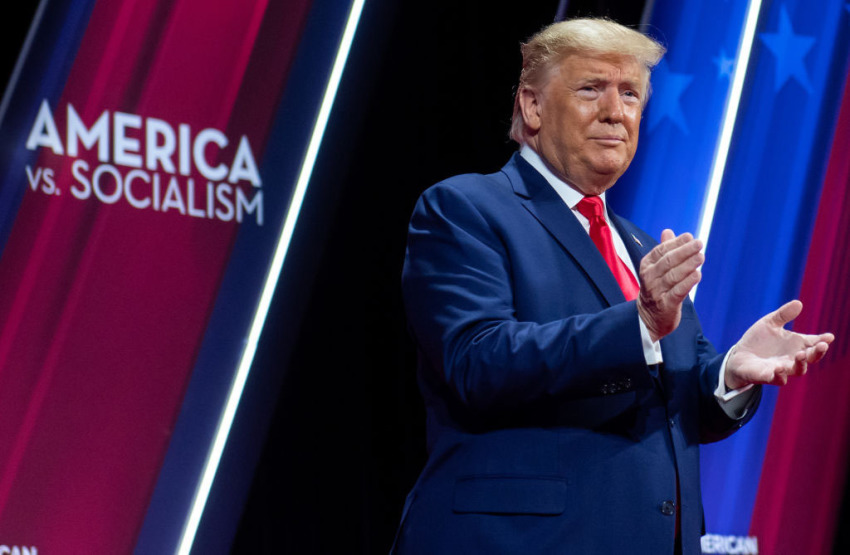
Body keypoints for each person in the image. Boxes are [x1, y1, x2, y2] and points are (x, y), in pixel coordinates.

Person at [392, 18, 834, 555]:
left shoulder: (640, 244)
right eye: (590, 89)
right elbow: (478, 362)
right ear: (532, 106)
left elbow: (670, 403)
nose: (615, 112)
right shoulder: (465, 209)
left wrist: (728, 375)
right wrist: (639, 322)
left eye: (630, 94)